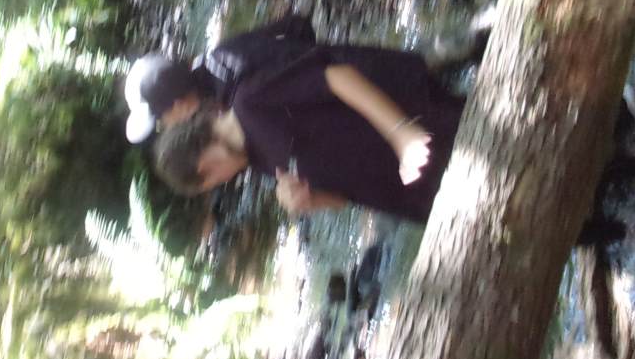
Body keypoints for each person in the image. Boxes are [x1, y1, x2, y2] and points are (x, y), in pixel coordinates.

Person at [152, 43, 463, 224]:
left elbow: (337, 78)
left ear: (205, 166)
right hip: (414, 194)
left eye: (214, 182)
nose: (225, 181)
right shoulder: (258, 163)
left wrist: (401, 133)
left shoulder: (250, 101)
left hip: (424, 128)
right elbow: (343, 199)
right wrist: (312, 201)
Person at [124, 13, 319, 144]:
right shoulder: (216, 59)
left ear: (178, 104)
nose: (167, 125)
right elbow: (294, 24)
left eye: (161, 120)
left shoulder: (232, 94)